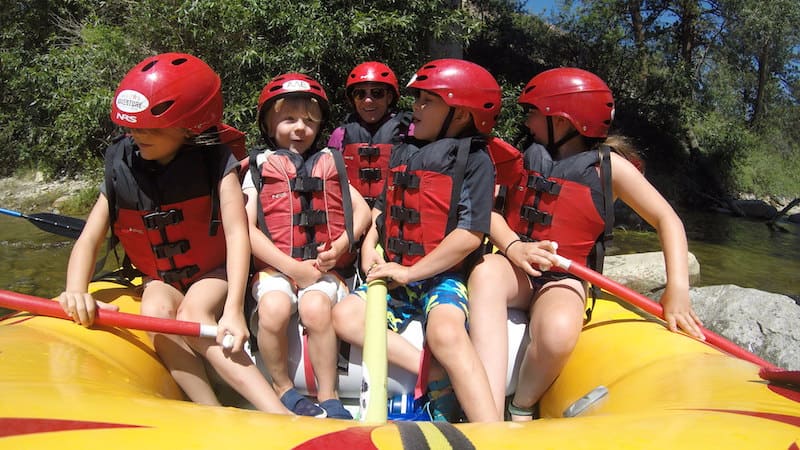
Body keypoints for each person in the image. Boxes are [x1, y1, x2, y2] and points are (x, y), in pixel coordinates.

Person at [466, 67, 706, 421]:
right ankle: (485, 410)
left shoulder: (612, 170)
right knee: (485, 273)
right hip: (514, 265)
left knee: (558, 333)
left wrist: (678, 289)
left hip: (564, 276)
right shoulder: (518, 159)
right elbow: (486, 210)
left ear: (561, 121)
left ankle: (521, 407)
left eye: (533, 112)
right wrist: (514, 246)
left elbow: (667, 219)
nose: (527, 122)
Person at [58, 52, 290, 415]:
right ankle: (210, 410)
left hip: (212, 274)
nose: (138, 136)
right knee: (154, 310)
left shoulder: (216, 162)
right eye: (133, 128)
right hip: (159, 276)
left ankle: (277, 413)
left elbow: (236, 233)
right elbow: (90, 237)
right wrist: (75, 291)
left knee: (194, 315)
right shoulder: (123, 163)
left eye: (151, 128)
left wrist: (233, 311)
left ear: (189, 126)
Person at [332, 59, 502, 423]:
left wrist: (412, 273)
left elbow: (469, 235)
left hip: (441, 276)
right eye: (418, 99)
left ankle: (493, 431)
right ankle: (436, 376)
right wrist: (367, 247)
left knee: (445, 332)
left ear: (459, 113)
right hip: (393, 276)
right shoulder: (405, 150)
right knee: (345, 316)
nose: (416, 107)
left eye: (428, 100)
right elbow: (382, 211)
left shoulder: (475, 159)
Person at [242, 73, 371, 419]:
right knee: (273, 309)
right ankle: (282, 387)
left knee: (315, 309)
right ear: (269, 125)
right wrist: (291, 268)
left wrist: (342, 244)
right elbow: (245, 229)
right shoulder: (258, 169)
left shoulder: (330, 163)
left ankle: (328, 395)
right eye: (289, 119)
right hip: (278, 268)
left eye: (309, 121)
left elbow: (361, 212)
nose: (300, 128)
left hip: (323, 268)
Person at [327, 61, 412, 208]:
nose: (368, 100)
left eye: (377, 93)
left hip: (394, 217)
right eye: (360, 94)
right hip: (355, 217)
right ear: (353, 99)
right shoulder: (340, 134)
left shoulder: (409, 129)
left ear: (389, 97)